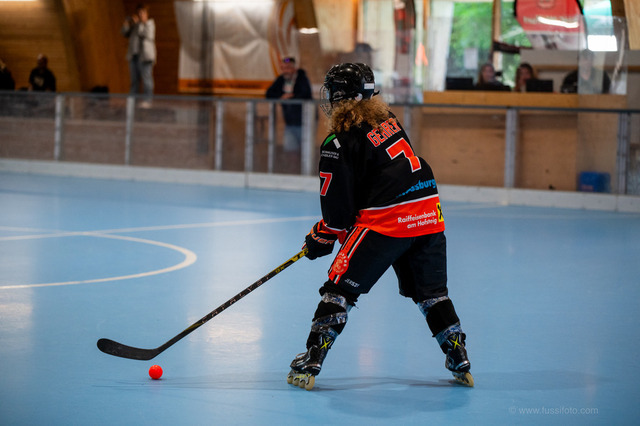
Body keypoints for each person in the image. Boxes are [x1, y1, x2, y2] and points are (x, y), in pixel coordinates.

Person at [287, 63, 473, 390]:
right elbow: (373, 184)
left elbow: (339, 214)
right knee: (432, 294)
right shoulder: (388, 120)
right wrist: (328, 231)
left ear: (340, 97)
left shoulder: (337, 142)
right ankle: (458, 355)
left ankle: (312, 358)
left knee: (339, 290)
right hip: (428, 215)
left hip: (387, 221)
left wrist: (322, 236)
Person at [265, 57, 312, 153]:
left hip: (305, 121)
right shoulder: (281, 79)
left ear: (294, 68)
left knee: (304, 150)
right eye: (283, 68)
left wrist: (291, 98)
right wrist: (281, 97)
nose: (286, 71)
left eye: (288, 68)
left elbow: (305, 94)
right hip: (289, 123)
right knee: (290, 149)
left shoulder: (302, 79)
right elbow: (269, 93)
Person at [121, 3, 156, 100]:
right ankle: (132, 101)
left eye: (143, 13)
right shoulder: (135, 25)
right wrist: (126, 24)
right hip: (134, 56)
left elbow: (146, 35)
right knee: (134, 81)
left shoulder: (150, 24)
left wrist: (138, 24)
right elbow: (124, 33)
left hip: (145, 57)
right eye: (139, 13)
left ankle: (148, 101)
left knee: (147, 80)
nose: (140, 15)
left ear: (147, 14)